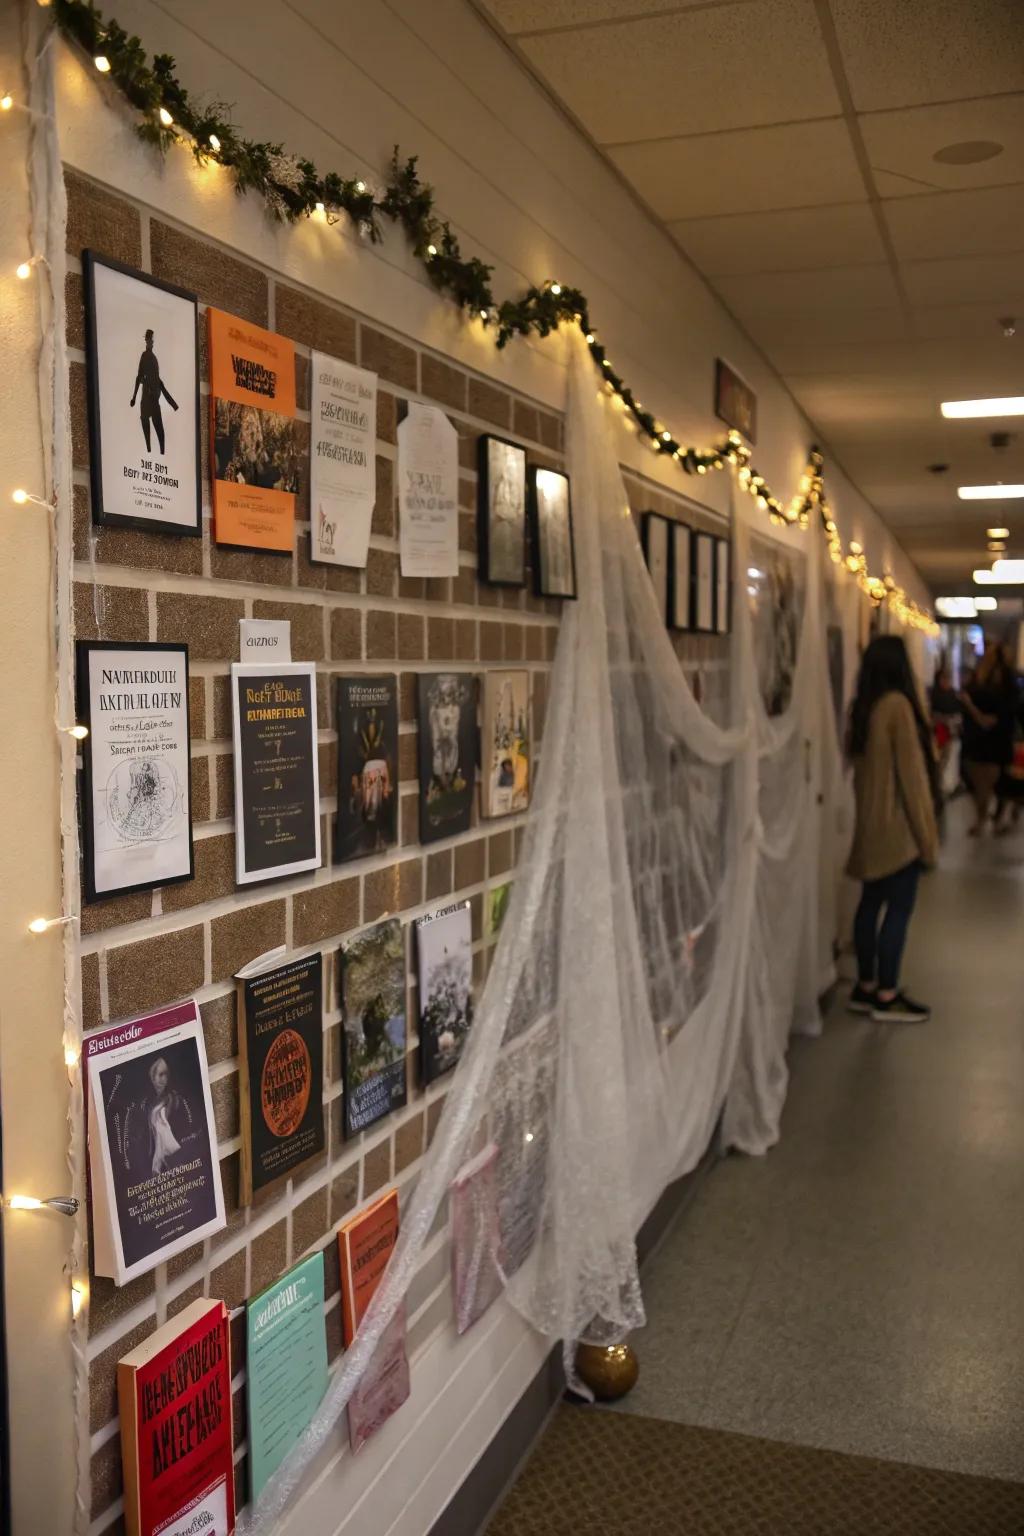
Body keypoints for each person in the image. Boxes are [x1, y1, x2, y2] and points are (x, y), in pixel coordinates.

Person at [846, 636, 940, 1023]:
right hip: (898, 833)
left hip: (868, 827)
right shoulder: (899, 707)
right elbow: (913, 782)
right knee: (898, 911)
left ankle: (865, 986)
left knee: (870, 905)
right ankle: (887, 994)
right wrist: (928, 841)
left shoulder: (863, 709)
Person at [959, 639, 1018, 835]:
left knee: (982, 781)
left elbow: (985, 715)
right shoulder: (1008, 682)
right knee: (1000, 781)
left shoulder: (983, 682)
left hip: (983, 740)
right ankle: (995, 817)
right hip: (999, 739)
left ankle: (984, 817)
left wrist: (972, 707)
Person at [130, 327, 178, 455]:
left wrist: (173, 404)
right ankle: (148, 451)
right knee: (146, 427)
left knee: (160, 431)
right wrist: (134, 397)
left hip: (154, 400)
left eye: (152, 340)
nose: (151, 342)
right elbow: (139, 376)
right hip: (146, 399)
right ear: (147, 341)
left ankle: (162, 453)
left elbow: (158, 381)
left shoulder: (154, 358)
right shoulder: (145, 356)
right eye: (150, 340)